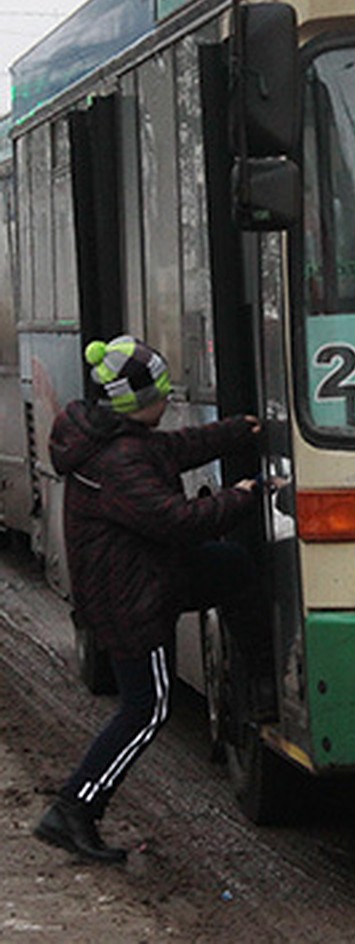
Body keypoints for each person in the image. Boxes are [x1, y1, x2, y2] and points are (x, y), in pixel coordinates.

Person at [32, 335, 274, 864]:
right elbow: (176, 522)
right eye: (162, 391)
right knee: (148, 709)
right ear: (139, 400)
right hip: (132, 599)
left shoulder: (116, 437)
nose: (168, 398)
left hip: (144, 577)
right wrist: (244, 497)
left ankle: (262, 682)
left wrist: (237, 431)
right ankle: (75, 809)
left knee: (231, 567)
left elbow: (178, 448)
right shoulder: (119, 459)